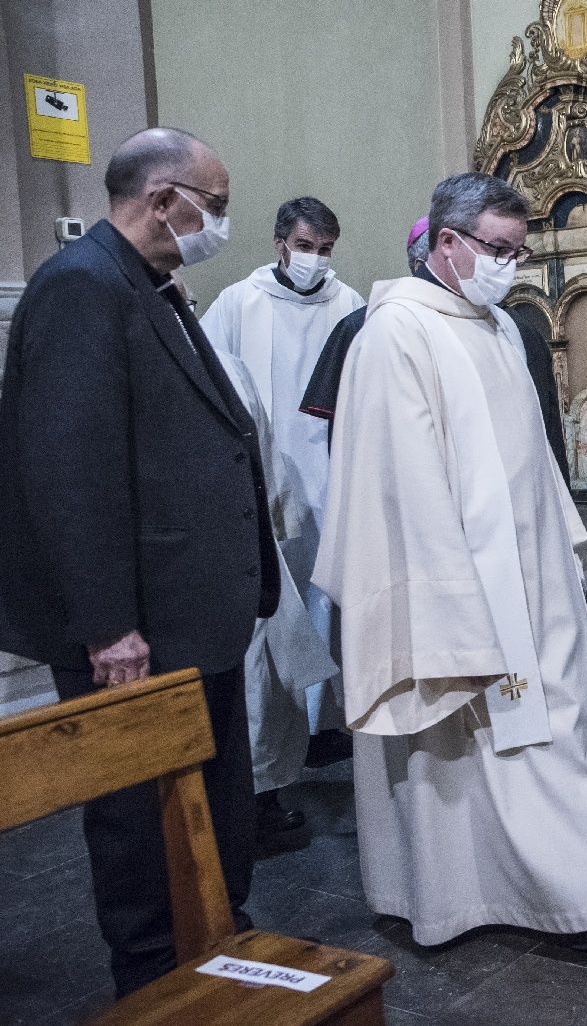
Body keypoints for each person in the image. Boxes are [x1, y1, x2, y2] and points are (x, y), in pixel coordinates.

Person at [314, 172, 587, 951]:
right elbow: (398, 489)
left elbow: (532, 458)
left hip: (534, 575)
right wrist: (456, 607)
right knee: (494, 746)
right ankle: (557, 899)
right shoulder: (395, 334)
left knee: (562, 727)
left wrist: (562, 554)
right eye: (497, 248)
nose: (510, 265)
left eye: (519, 250)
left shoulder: (493, 326)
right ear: (446, 243)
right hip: (463, 589)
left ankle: (573, 888)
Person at [0, 127, 278, 996]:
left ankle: (215, 933)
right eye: (215, 204)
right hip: (138, 625)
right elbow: (68, 473)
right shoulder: (79, 288)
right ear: (164, 200)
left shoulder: (148, 285)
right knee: (138, 810)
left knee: (213, 793)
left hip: (194, 610)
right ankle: (156, 973)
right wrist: (107, 624)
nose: (219, 221)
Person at [202, 196, 364, 793]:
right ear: (279, 244)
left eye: (325, 250)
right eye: (305, 247)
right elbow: (213, 385)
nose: (315, 261)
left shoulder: (347, 304)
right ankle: (279, 735)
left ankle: (329, 724)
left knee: (330, 600)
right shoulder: (239, 303)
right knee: (283, 605)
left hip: (333, 476)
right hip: (267, 481)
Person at [203, 319, 339, 848]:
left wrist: (274, 524)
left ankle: (261, 800)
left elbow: (260, 445)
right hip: (206, 554)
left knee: (259, 686)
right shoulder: (238, 315)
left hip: (247, 544)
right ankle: (233, 811)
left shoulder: (227, 366)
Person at [301, 215, 567, 476]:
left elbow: (544, 429)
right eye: (496, 252)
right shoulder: (371, 325)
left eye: (512, 254)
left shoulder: (516, 328)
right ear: (431, 259)